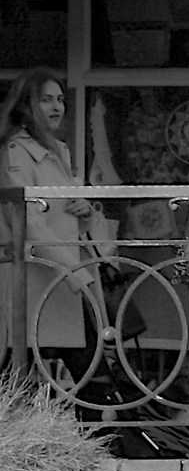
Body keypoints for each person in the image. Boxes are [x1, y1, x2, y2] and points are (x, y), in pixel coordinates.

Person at [1, 66, 108, 372]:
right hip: (37, 277)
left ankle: (97, 418)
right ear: (25, 103)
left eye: (60, 99)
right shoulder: (15, 151)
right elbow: (26, 220)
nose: (57, 106)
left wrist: (84, 210)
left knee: (89, 368)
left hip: (61, 277)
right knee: (25, 367)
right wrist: (76, 272)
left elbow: (65, 215)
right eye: (46, 99)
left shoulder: (57, 150)